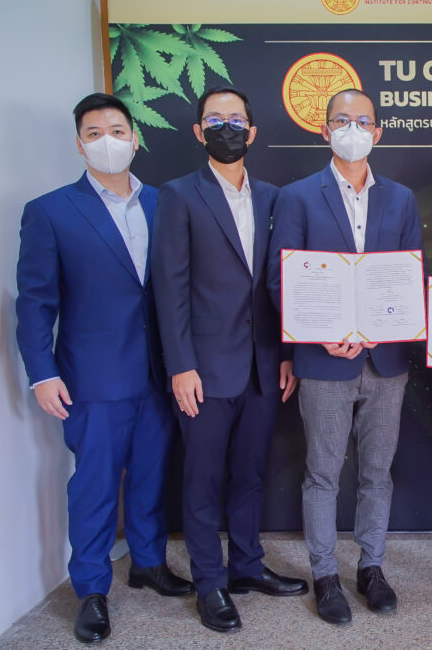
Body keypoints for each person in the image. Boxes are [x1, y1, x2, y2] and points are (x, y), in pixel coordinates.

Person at [15, 93, 193, 644]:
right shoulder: (50, 211)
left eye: (117, 130)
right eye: (94, 133)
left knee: (150, 475)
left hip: (160, 372)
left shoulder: (166, 202)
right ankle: (91, 589)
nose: (107, 140)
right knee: (93, 486)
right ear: (79, 144)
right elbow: (34, 302)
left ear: (135, 138)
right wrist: (42, 372)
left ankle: (148, 563)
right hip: (91, 377)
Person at [151, 86, 308, 634]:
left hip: (264, 366)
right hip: (203, 368)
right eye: (215, 120)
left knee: (250, 474)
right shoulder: (178, 195)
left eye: (236, 120)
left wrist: (286, 353)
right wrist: (180, 365)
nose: (226, 128)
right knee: (202, 479)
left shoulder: (274, 197)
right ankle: (210, 583)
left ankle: (246, 566)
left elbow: (282, 283)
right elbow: (169, 288)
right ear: (199, 132)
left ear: (252, 132)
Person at [268, 89, 423, 625]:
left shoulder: (401, 198)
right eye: (341, 120)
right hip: (322, 359)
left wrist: (384, 327)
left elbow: (409, 275)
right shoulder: (296, 197)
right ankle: (326, 574)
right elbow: (281, 279)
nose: (352, 129)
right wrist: (321, 335)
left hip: (386, 361)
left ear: (377, 132)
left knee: (377, 472)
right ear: (325, 129)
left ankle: (371, 567)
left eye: (362, 121)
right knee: (322, 473)